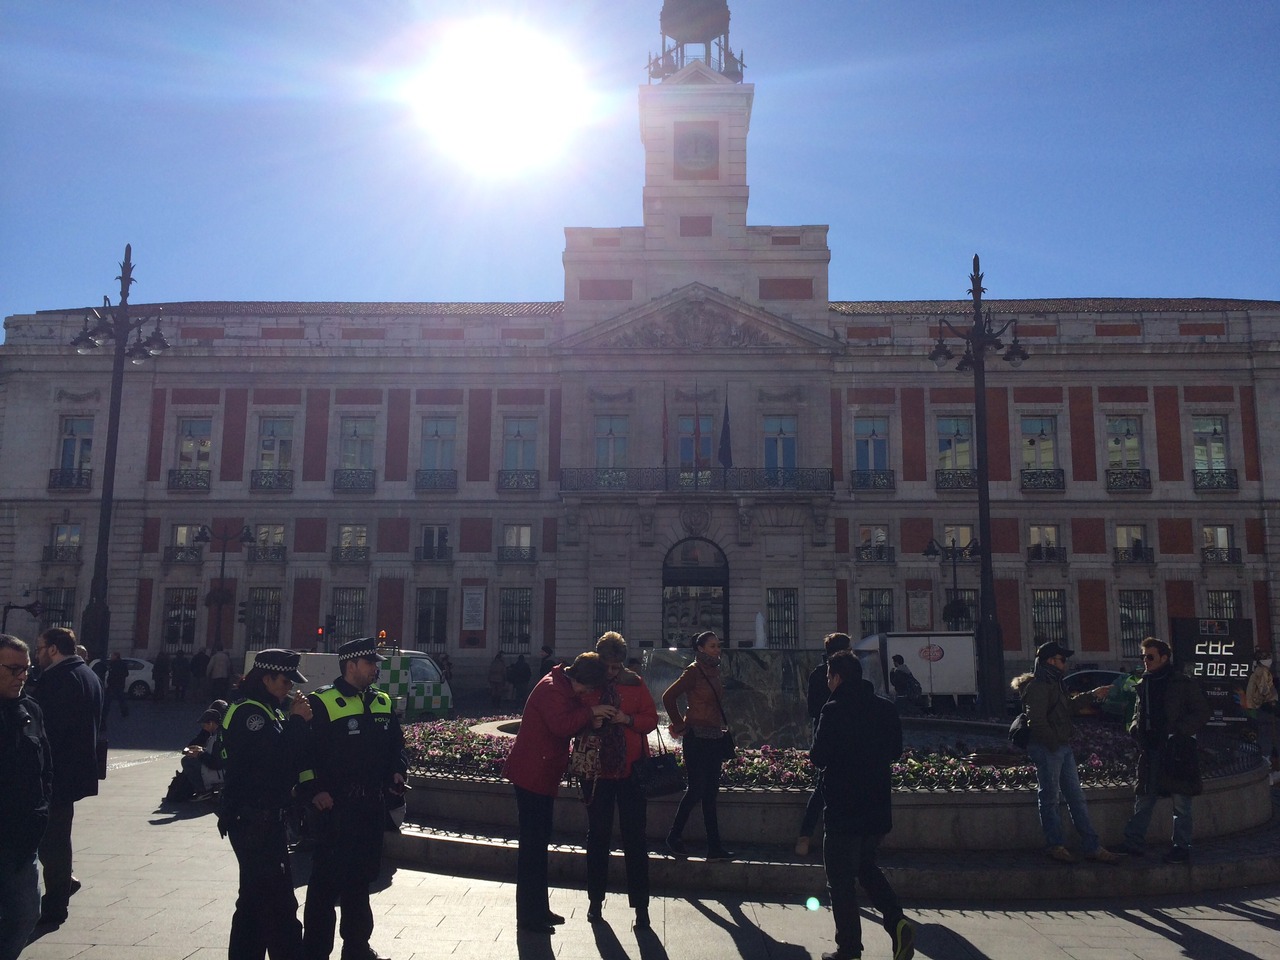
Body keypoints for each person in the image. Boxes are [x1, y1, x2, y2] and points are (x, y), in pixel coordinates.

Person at [301, 637, 408, 960]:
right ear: (351, 666)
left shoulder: (383, 702)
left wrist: (397, 771)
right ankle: (316, 951)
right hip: (335, 808)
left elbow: (396, 747)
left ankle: (357, 946)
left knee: (361, 879)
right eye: (371, 664)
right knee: (325, 884)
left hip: (370, 808)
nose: (376, 669)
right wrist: (314, 789)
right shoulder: (321, 702)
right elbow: (304, 755)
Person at [810, 651, 914, 960]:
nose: (828, 682)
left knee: (840, 881)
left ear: (837, 677)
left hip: (843, 808)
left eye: (829, 677)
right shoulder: (884, 708)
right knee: (866, 866)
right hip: (877, 806)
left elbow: (819, 757)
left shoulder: (833, 710)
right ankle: (897, 920)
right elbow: (895, 750)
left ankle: (849, 950)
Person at [502, 651, 611, 935]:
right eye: (586, 687)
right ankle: (528, 917)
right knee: (532, 849)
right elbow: (560, 726)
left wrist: (590, 713)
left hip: (541, 775)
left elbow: (572, 713)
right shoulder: (552, 688)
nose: (586, 692)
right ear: (579, 678)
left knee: (539, 845)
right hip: (531, 776)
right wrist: (590, 713)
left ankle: (538, 908)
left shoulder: (562, 684)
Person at [218, 649, 312, 960]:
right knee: (278, 902)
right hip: (255, 818)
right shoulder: (251, 714)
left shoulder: (267, 708)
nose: (289, 688)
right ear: (267, 678)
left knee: (254, 901)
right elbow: (275, 761)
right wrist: (298, 722)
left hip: (261, 817)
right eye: (285, 681)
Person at [1010, 641, 1121, 865]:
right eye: (1062, 660)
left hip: (1061, 746)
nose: (1065, 664)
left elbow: (1068, 708)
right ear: (1051, 661)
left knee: (1076, 798)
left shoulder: (1054, 683)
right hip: (1048, 747)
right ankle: (1055, 845)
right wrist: (1053, 744)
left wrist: (1092, 695)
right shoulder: (1039, 685)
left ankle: (1092, 846)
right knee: (1050, 798)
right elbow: (1037, 721)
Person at [579, 633, 659, 929]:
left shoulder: (635, 683)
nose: (611, 672)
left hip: (631, 771)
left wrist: (627, 720)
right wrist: (593, 718)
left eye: (616, 666)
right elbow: (575, 716)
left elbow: (651, 719)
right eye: (607, 666)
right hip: (598, 773)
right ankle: (595, 902)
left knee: (635, 839)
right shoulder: (589, 682)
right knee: (597, 836)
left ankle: (641, 907)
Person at [29, 627, 102, 927]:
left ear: (54, 649)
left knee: (52, 840)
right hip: (74, 770)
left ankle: (56, 904)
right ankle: (63, 884)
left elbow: (48, 731)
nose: (37, 654)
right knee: (54, 836)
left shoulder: (59, 679)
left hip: (55, 772)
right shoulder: (88, 674)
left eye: (40, 648)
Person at [1118, 637, 1212, 863]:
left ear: (1164, 657)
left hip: (1177, 749)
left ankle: (1181, 847)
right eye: (1143, 656)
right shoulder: (1145, 682)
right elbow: (1137, 712)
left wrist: (1178, 732)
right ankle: (1133, 843)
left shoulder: (1181, 682)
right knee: (1144, 798)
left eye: (1150, 656)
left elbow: (1201, 712)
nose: (1145, 660)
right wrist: (1134, 728)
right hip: (1150, 750)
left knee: (1181, 802)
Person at [0, 635, 52, 960]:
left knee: (26, 914)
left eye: (27, 669)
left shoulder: (30, 710)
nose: (23, 676)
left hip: (22, 840)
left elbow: (46, 768)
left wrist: (42, 809)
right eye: (14, 669)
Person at [662, 630, 734, 861]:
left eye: (718, 645)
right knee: (696, 789)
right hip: (696, 737)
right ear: (700, 648)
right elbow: (668, 697)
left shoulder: (714, 671)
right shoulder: (694, 671)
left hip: (713, 736)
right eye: (712, 646)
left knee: (710, 792)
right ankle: (673, 836)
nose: (717, 649)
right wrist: (679, 724)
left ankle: (714, 847)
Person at [794, 632, 850, 857]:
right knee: (825, 787)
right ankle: (810, 836)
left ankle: (805, 838)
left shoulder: (817, 674)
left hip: (824, 733)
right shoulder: (843, 674)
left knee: (821, 787)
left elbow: (811, 710)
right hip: (838, 735)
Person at [179, 701, 228, 799]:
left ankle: (203, 791)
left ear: (211, 723)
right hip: (224, 769)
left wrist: (200, 754)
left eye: (204, 724)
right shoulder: (222, 732)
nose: (203, 727)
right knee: (190, 757)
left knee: (187, 761)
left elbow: (216, 763)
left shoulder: (217, 737)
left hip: (220, 772)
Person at [1245, 649, 1278, 769]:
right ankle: (1266, 759)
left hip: (1255, 707)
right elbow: (1265, 690)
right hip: (1263, 708)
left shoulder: (1255, 671)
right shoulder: (1263, 672)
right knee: (1265, 731)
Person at [101, 651, 130, 725]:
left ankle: (104, 714)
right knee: (121, 699)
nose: (111, 657)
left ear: (116, 656)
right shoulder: (123, 664)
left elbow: (112, 674)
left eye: (112, 656)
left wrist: (110, 680)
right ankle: (125, 712)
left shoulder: (113, 664)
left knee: (108, 701)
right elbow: (126, 673)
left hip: (113, 684)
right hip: (120, 684)